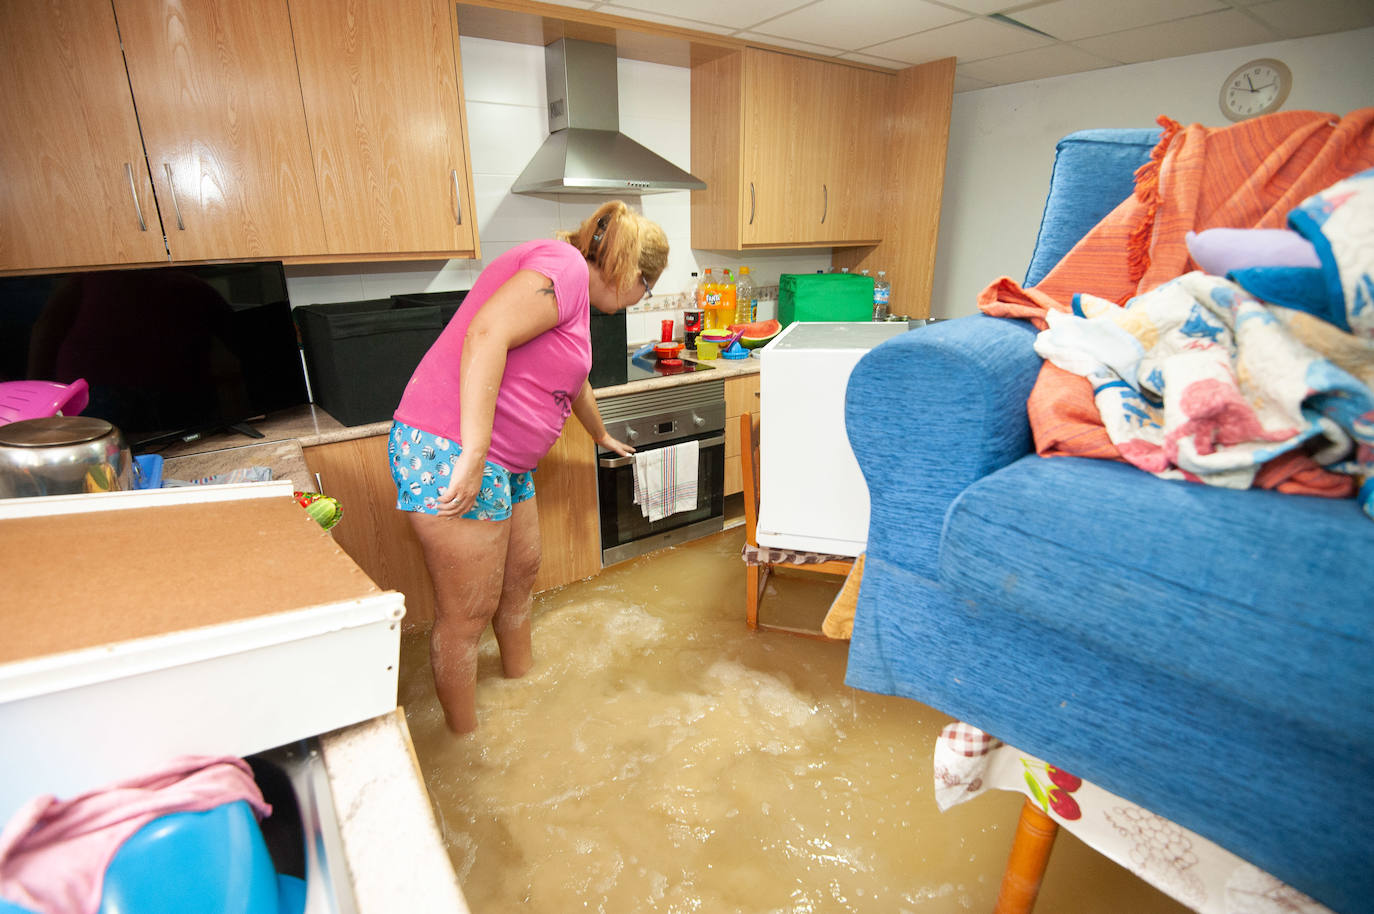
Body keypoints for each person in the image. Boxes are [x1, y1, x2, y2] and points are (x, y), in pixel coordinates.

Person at [390, 200, 666, 734]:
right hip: (450, 448)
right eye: (647, 290)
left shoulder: (574, 292)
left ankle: (523, 694)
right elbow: (486, 334)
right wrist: (471, 454)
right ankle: (465, 747)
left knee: (518, 582)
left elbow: (572, 377)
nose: (640, 299)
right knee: (466, 614)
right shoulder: (561, 265)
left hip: (506, 462)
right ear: (633, 275)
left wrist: (601, 433)